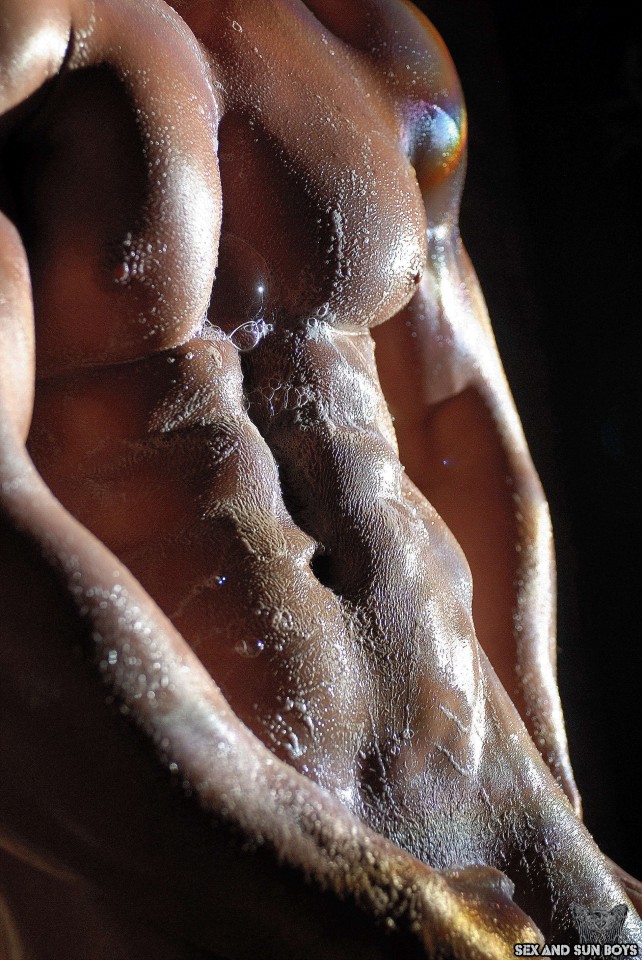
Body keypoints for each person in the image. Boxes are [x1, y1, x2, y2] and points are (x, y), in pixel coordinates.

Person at [0, 0, 640, 956]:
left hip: (523, 865)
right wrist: (382, 909)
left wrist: (555, 811)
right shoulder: (32, 36)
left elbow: (452, 416)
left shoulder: (373, 36)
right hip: (233, 901)